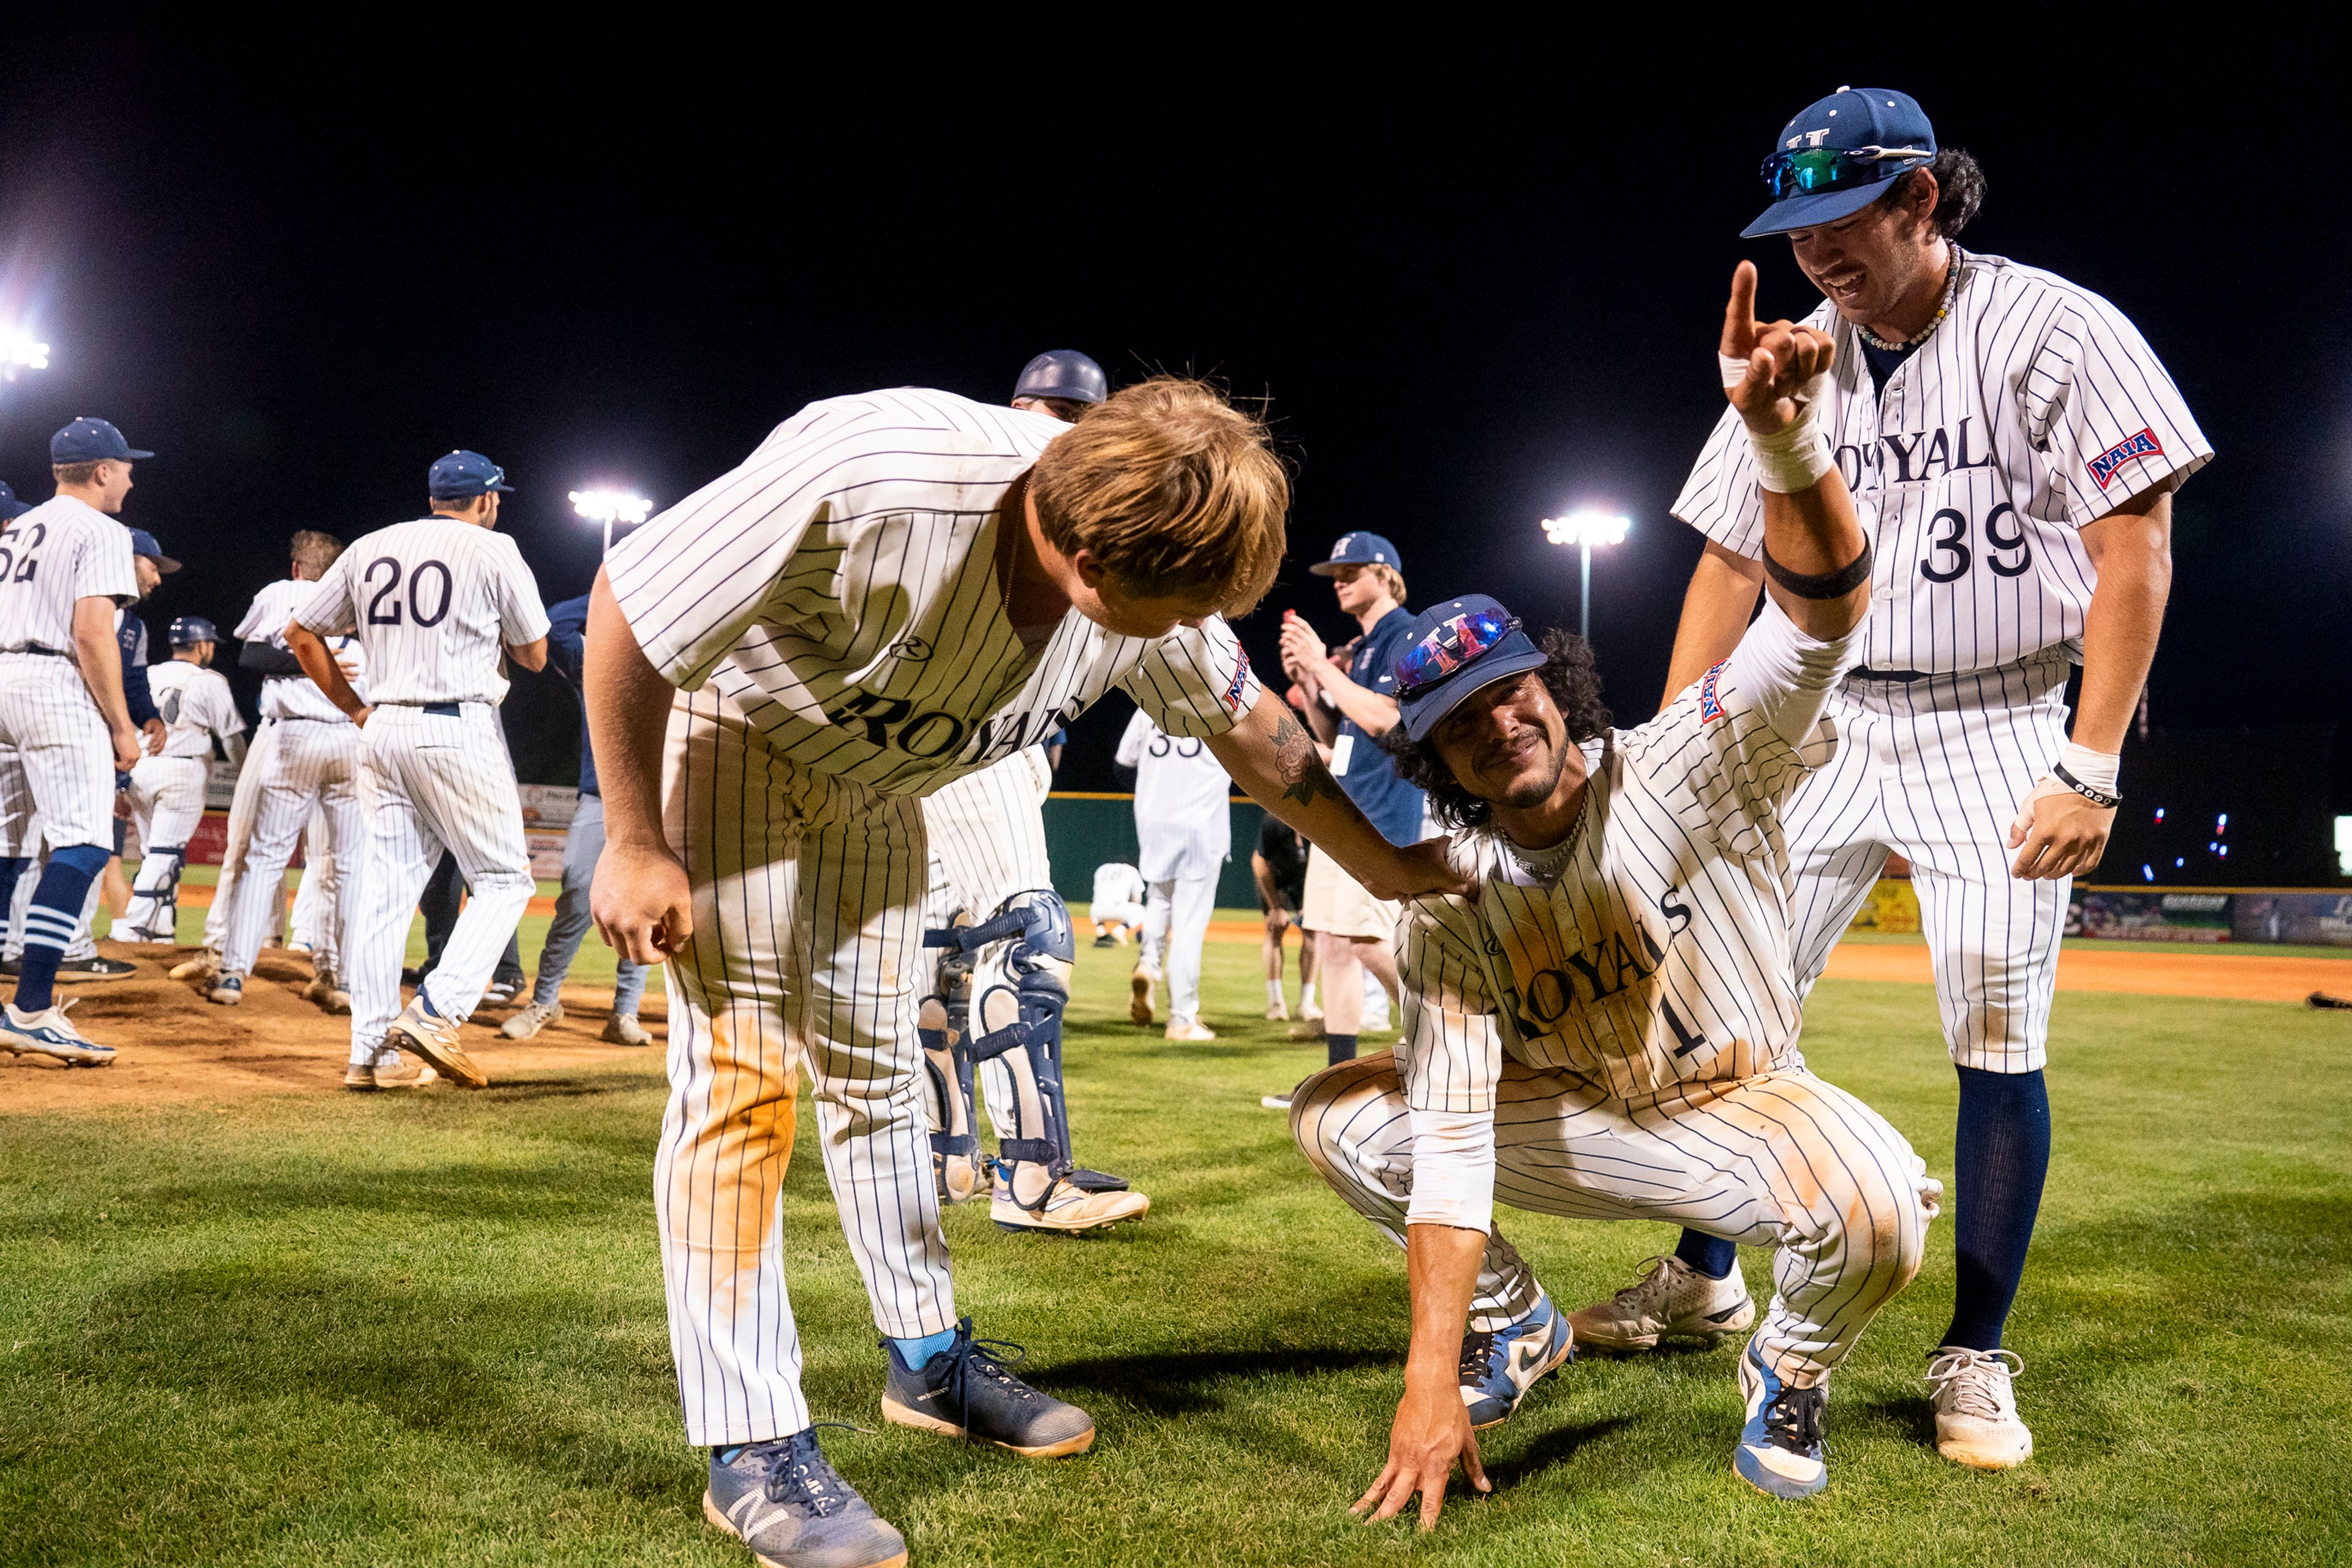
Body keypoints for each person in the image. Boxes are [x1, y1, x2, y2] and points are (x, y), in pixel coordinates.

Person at [585, 379, 1464, 1568]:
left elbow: (1254, 725)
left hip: (885, 790)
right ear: (1091, 559)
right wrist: (636, 835)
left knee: (878, 1078)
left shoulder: (1140, 553)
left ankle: (927, 1355)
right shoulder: (882, 469)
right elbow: (632, 598)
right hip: (743, 743)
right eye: (1170, 608)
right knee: (741, 1091)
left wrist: (1392, 863)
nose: (1184, 634)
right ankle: (752, 1443)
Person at [1591, 87, 2210, 1473]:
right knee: (1726, 1008)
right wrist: (1675, 746)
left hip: (1997, 715)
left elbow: (2131, 549)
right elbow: (1727, 560)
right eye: (1795, 229)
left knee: (1994, 1026)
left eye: (1839, 221)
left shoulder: (2053, 328)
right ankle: (1705, 1274)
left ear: (1920, 198)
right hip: (1820, 714)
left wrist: (2087, 764)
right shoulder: (1799, 357)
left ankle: (1973, 1346)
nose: (1815, 255)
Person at [1296, 284, 1942, 1516]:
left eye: (1507, 687)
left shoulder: (1691, 752)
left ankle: (1788, 1366)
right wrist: (1427, 1377)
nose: (1498, 723)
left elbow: (1821, 620)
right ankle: (1518, 1326)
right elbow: (1448, 1143)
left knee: (1876, 1208)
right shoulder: (1454, 903)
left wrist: (1787, 445)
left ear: (1551, 675)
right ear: (1434, 762)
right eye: (1457, 724)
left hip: (1740, 1099)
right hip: (1579, 1121)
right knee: (1345, 1117)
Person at [913, 352, 1145, 1234]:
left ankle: (946, 1157)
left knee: (944, 948)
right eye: (1066, 416)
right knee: (1027, 929)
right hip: (977, 742)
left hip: (916, 744)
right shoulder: (1039, 489)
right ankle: (1035, 1179)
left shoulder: (963, 484)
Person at [288, 449, 549, 1092]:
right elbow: (536, 655)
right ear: (487, 499)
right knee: (505, 880)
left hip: (382, 726)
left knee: (382, 897)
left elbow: (301, 633)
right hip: (455, 723)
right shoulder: (495, 550)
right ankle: (439, 1009)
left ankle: (370, 1055)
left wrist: (355, 711)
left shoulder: (371, 546)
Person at [0, 419, 152, 1066]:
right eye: (124, 466)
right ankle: (32, 1007)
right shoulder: (102, 530)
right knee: (85, 844)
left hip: (3, 674)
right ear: (99, 471)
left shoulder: (19, 527)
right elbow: (92, 632)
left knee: (6, 847)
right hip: (52, 678)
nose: (130, 476)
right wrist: (121, 724)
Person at [1271, 532, 1423, 1091]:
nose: (1339, 583)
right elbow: (1345, 736)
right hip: (1347, 807)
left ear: (1386, 576)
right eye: (1335, 576)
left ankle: (1450, 1034)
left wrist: (1322, 664)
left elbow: (1389, 721)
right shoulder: (1362, 650)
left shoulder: (1404, 633)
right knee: (1333, 942)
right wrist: (1311, 688)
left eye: (1350, 572)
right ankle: (1338, 1079)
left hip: (1381, 815)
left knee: (1364, 940)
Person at [209, 538, 373, 1019]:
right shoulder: (364, 596)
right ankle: (340, 978)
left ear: (297, 565)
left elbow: (252, 656)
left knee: (265, 857)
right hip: (352, 734)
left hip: (295, 738)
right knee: (349, 865)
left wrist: (302, 660)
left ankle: (234, 972)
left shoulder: (283, 592)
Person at [500, 590, 653, 1046]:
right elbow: (556, 623)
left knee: (644, 909)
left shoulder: (676, 665)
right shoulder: (598, 660)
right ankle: (544, 1001)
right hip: (598, 799)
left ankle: (625, 1014)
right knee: (577, 899)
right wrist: (618, 585)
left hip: (655, 807)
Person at [120, 616, 246, 940]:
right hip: (181, 770)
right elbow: (230, 737)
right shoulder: (209, 680)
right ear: (202, 645)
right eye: (211, 644)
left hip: (141, 769)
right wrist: (246, 773)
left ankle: (161, 933)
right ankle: (132, 927)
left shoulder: (148, 674)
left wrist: (119, 782)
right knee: (165, 854)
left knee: (155, 854)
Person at [1115, 706, 1233, 1041]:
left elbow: (1122, 766)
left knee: (1159, 898)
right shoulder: (1219, 703)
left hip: (1155, 821)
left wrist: (1158, 788)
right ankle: (1182, 1018)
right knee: (1189, 925)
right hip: (1201, 823)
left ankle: (1149, 964)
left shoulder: (1148, 704)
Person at [1252, 813, 1316, 1022]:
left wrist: (1311, 905)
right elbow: (1259, 862)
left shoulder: (1320, 821)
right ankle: (1276, 1003)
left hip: (1307, 878)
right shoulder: (1274, 820)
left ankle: (1307, 1003)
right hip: (1275, 877)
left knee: (1313, 930)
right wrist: (1275, 906)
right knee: (1274, 929)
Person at [1086, 860, 1146, 946]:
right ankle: (1121, 929)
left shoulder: (1102, 868)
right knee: (1142, 911)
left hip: (1096, 911)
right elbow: (1137, 900)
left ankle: (1101, 930)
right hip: (1119, 908)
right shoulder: (1132, 870)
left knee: (1096, 907)